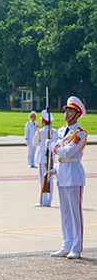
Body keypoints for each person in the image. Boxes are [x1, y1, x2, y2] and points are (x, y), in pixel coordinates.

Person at [48, 96, 87, 260]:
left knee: (75, 213)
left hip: (74, 174)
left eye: (70, 110)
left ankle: (76, 247)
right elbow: (60, 156)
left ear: (77, 114)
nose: (66, 113)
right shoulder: (63, 131)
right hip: (63, 174)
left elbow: (67, 152)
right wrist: (54, 170)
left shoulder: (80, 133)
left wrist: (51, 145)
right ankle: (66, 244)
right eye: (66, 110)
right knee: (64, 213)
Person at [34, 110, 55, 207]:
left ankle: (43, 201)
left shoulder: (40, 132)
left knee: (42, 179)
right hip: (51, 155)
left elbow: (35, 143)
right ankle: (49, 201)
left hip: (43, 155)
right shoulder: (55, 131)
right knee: (49, 179)